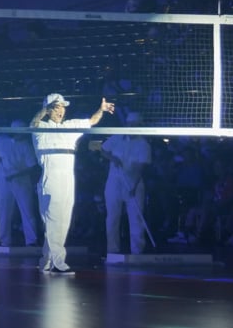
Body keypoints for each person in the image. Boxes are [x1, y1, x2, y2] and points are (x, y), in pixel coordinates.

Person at [31, 92, 114, 274]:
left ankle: (46, 260)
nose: (61, 111)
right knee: (53, 220)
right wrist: (44, 109)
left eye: (62, 107)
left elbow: (92, 121)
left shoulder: (70, 126)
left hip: (68, 179)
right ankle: (58, 262)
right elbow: (34, 122)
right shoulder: (41, 128)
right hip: (50, 178)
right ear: (48, 109)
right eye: (56, 107)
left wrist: (101, 110)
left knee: (63, 221)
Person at [100, 112, 152, 255]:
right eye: (130, 124)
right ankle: (112, 250)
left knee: (136, 218)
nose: (132, 127)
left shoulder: (144, 145)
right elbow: (103, 150)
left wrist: (134, 186)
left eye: (135, 125)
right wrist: (113, 158)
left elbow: (141, 168)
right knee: (112, 217)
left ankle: (137, 251)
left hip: (134, 184)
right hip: (114, 183)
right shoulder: (117, 137)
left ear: (140, 126)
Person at [0, 121, 39, 247]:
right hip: (3, 181)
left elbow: (32, 166)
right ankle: (5, 241)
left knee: (27, 210)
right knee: (3, 211)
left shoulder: (26, 146)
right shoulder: (2, 141)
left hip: (21, 182)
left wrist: (15, 174)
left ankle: (31, 241)